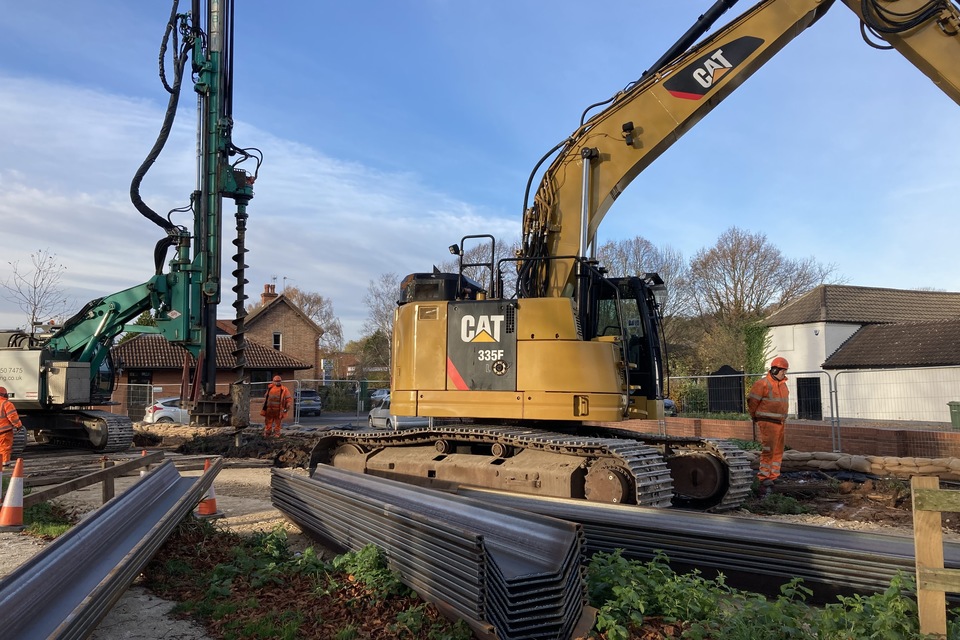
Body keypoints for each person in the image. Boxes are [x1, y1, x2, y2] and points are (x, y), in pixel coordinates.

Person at [748, 356, 790, 492]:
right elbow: (752, 402)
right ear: (774, 369)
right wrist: (754, 416)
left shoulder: (783, 384)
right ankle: (763, 477)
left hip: (780, 422)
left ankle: (773, 475)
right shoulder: (763, 384)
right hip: (768, 423)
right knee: (768, 450)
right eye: (783, 371)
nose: (784, 373)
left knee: (778, 450)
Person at [0, 386, 25, 466]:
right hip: (4, 431)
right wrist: (19, 426)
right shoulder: (6, 404)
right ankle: (5, 463)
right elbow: (13, 417)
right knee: (5, 448)